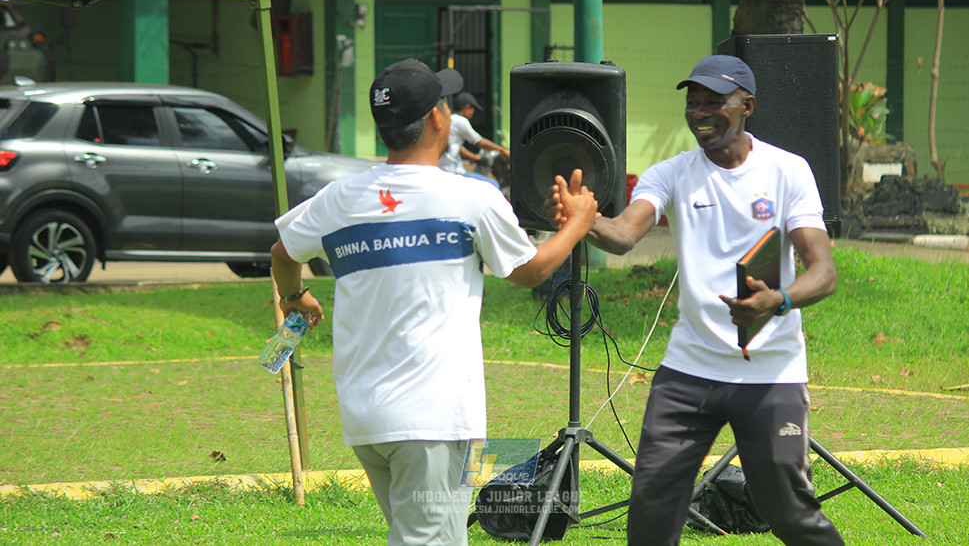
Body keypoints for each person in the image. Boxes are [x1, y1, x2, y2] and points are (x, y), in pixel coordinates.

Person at [270, 58, 599, 546]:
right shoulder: (471, 197)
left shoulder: (338, 198)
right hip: (436, 420)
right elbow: (531, 269)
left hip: (367, 421)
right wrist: (578, 221)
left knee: (421, 534)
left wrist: (296, 297)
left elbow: (281, 252)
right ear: (438, 119)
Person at [549, 54, 842, 546]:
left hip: (769, 372)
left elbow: (824, 272)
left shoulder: (788, 171)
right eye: (693, 102)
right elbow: (623, 235)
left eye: (714, 102)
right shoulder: (670, 174)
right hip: (689, 371)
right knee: (652, 506)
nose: (700, 112)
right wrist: (585, 221)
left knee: (785, 507)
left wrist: (778, 300)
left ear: (746, 105)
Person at [439, 90, 510, 182]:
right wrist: (501, 149)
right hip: (455, 171)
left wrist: (475, 157)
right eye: (473, 109)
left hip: (444, 169)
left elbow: (457, 147)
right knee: (493, 184)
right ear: (467, 107)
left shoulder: (449, 119)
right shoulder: (461, 121)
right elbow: (478, 141)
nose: (472, 113)